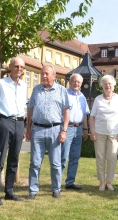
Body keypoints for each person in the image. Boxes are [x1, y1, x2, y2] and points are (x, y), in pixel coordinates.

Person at [0, 57, 28, 206]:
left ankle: (9, 191)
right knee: (0, 159)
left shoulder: (24, 86)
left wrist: (24, 126)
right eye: (16, 66)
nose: (19, 69)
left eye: (22, 67)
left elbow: (24, 107)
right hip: (4, 122)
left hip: (19, 123)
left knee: (14, 159)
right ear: (10, 67)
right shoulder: (1, 83)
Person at [26, 65, 69, 200]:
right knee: (35, 162)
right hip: (37, 129)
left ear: (54, 76)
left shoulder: (62, 90)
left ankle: (56, 189)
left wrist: (64, 130)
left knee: (56, 163)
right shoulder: (36, 90)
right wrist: (28, 128)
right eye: (42, 74)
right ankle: (33, 191)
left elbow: (66, 112)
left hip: (55, 130)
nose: (44, 76)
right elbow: (31, 109)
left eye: (46, 74)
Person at [89, 75, 118, 191]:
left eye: (109, 83)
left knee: (112, 157)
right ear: (102, 86)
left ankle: (109, 182)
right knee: (100, 157)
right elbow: (92, 117)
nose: (107, 86)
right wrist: (92, 131)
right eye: (105, 84)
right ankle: (101, 182)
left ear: (113, 85)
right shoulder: (98, 99)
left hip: (114, 133)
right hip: (99, 132)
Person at [61, 73, 90, 191]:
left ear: (81, 84)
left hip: (78, 129)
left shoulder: (82, 97)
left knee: (75, 157)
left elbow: (85, 114)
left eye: (78, 82)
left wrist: (85, 129)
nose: (76, 83)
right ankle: (57, 183)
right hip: (67, 128)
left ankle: (70, 182)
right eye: (74, 81)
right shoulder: (65, 94)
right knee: (63, 157)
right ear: (70, 82)